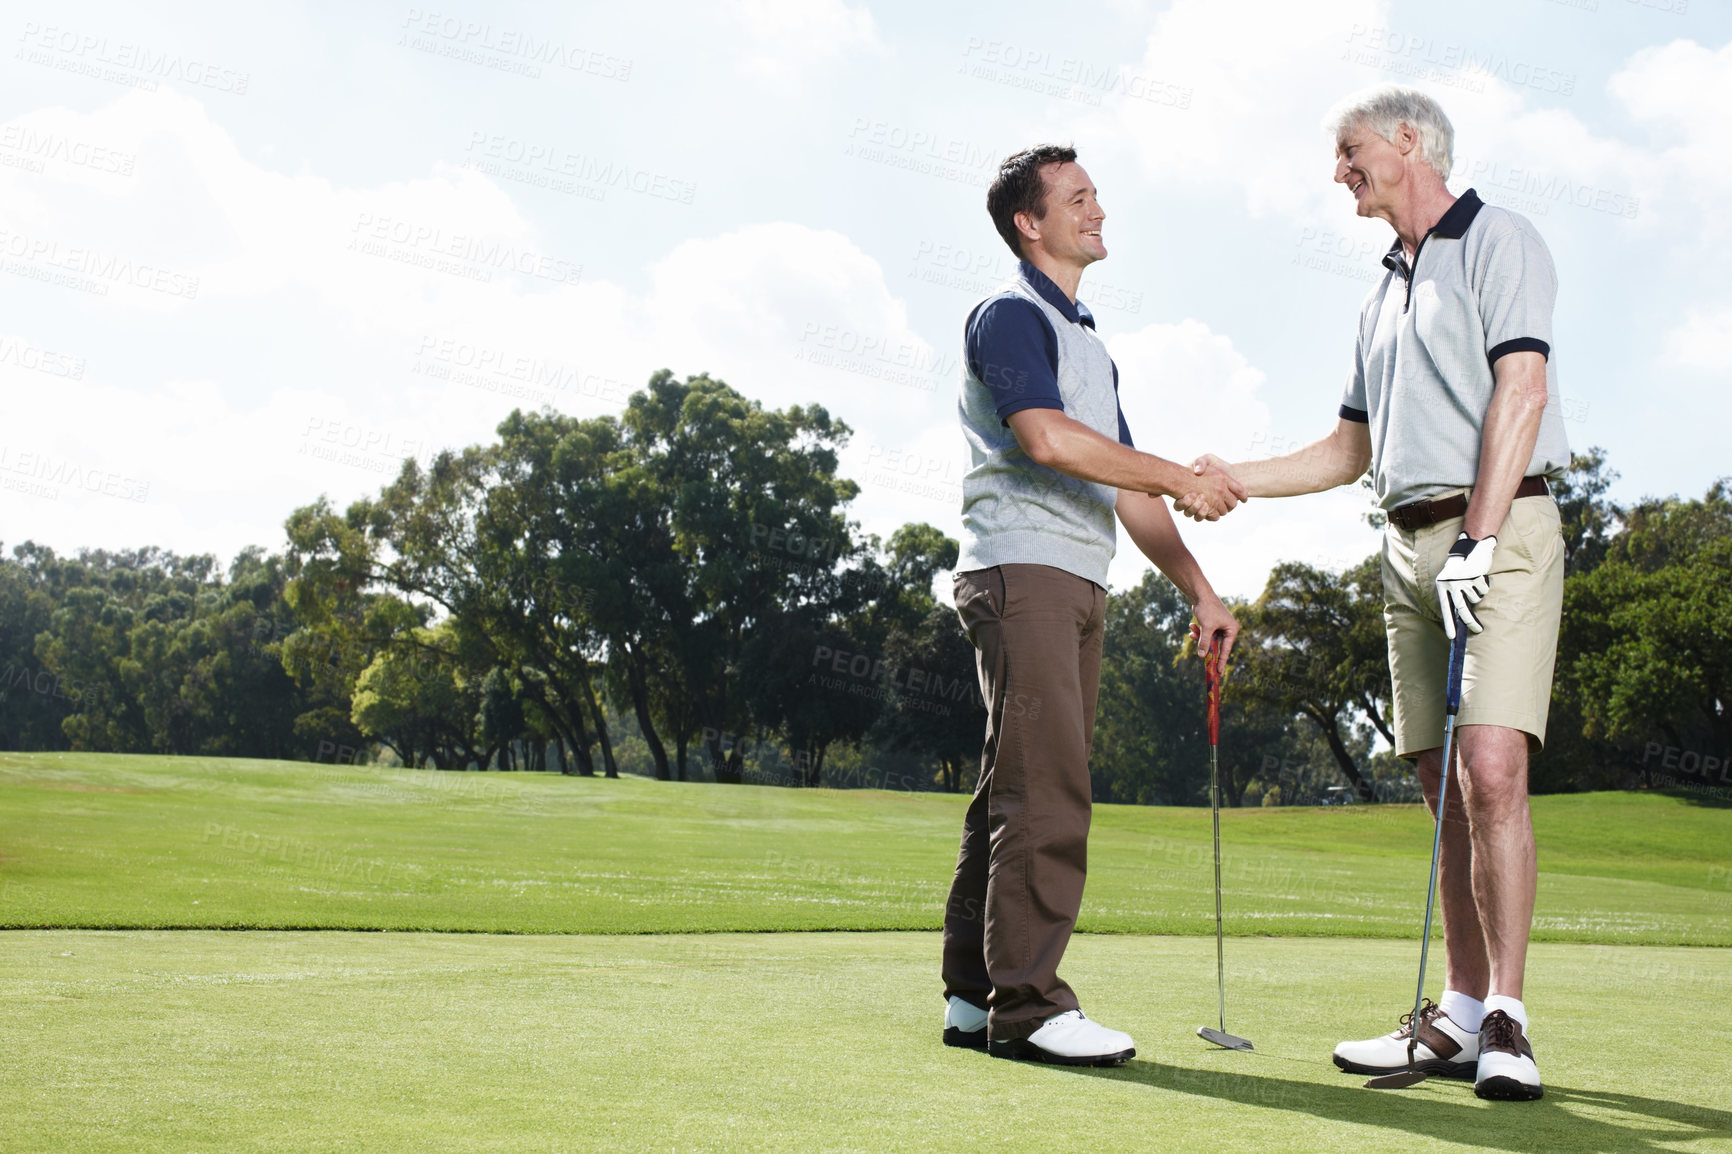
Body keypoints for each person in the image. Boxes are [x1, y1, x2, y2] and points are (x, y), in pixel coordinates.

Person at [1191, 86, 1568, 1101]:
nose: (1338, 171)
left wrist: (1480, 540)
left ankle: (1508, 1022)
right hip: (1402, 545)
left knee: (1491, 769)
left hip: (1497, 528)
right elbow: (1346, 450)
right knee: (1439, 782)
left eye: (1349, 151)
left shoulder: (1500, 239)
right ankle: (1453, 1008)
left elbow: (1521, 391)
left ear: (1408, 143)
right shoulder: (1378, 294)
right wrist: (1226, 477)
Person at [941, 144, 1243, 1067]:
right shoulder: (1009, 316)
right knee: (1048, 785)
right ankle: (1027, 1009)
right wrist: (1177, 472)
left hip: (1074, 577)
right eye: (1078, 198)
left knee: (1012, 785)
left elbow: (1128, 489)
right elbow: (1048, 440)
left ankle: (972, 994)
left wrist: (1200, 588)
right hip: (1023, 572)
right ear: (1030, 223)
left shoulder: (1088, 344)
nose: (1099, 210)